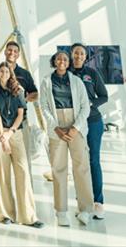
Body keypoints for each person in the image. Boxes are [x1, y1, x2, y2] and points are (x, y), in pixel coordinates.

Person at [39, 50, 94, 227]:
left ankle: (86, 210)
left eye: (64, 59)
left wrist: (75, 128)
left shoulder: (77, 82)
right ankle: (61, 211)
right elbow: (44, 106)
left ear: (68, 62)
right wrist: (56, 128)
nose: (61, 61)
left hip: (75, 126)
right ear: (54, 61)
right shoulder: (46, 81)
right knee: (59, 169)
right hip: (56, 127)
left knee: (82, 167)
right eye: (58, 58)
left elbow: (85, 107)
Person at [0, 62, 44, 229]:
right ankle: (5, 214)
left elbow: (21, 114)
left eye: (6, 71)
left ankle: (29, 216)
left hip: (15, 132)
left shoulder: (18, 90)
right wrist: (2, 137)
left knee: (23, 172)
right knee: (2, 174)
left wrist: (10, 133)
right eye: (1, 71)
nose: (4, 73)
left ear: (10, 73)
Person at [0, 41, 38, 176]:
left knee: (24, 164)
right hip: (0, 125)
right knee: (2, 170)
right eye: (9, 50)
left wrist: (21, 100)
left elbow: (35, 93)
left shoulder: (24, 74)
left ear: (18, 54)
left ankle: (26, 195)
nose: (12, 53)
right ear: (5, 52)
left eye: (15, 51)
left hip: (20, 123)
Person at [70, 43, 108, 220]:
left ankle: (98, 202)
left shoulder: (91, 74)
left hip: (92, 122)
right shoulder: (65, 73)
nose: (78, 56)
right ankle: (83, 202)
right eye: (76, 53)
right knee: (79, 163)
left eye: (82, 53)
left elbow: (104, 96)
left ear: (85, 57)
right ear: (71, 55)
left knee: (93, 161)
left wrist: (89, 104)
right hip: (73, 124)